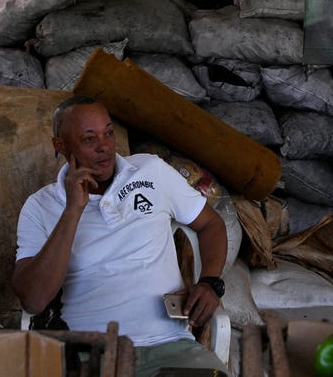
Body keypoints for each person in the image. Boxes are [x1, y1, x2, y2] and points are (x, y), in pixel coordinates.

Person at [13, 95, 229, 377]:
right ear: (61, 146)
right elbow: (33, 300)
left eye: (108, 133)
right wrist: (73, 210)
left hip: (170, 346)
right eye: (89, 139)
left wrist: (210, 282)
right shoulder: (40, 206)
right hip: (88, 354)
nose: (104, 147)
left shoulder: (151, 171)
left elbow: (211, 224)